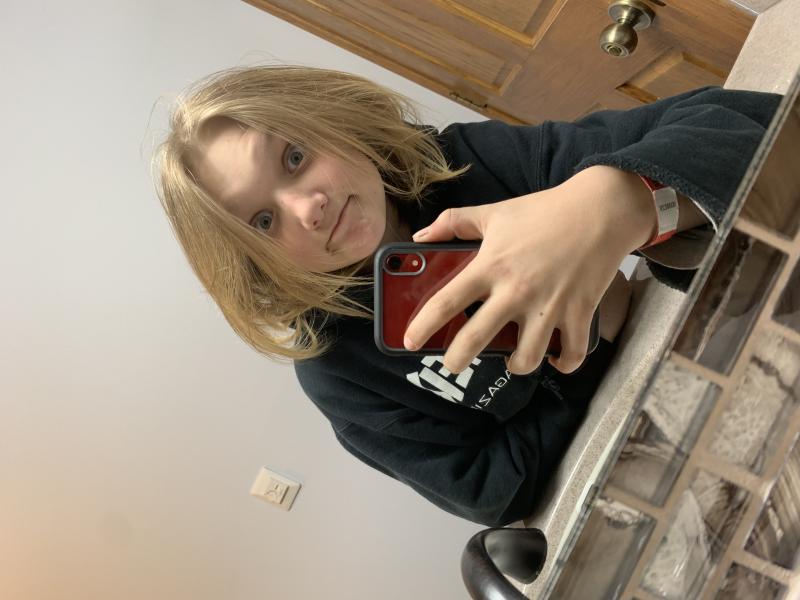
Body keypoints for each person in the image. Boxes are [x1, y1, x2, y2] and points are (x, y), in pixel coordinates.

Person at [152, 64, 781, 527]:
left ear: (332, 120)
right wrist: (595, 340)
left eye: (294, 157)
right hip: (632, 482)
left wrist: (619, 203)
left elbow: (759, 124)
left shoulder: (468, 163)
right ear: (253, 263)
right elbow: (491, 494)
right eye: (263, 222)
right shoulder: (334, 370)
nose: (307, 208)